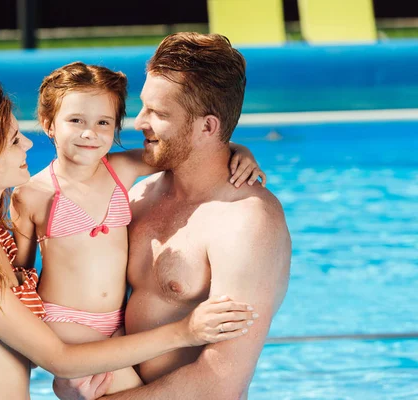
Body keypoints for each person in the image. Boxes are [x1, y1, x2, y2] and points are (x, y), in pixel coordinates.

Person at [0, 73, 259, 399]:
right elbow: (57, 356)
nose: (28, 144)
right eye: (15, 140)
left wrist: (235, 150)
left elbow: (175, 152)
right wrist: (186, 332)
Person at [53, 32, 292, 400]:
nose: (139, 123)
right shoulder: (138, 195)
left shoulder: (247, 223)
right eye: (144, 107)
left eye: (159, 114)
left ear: (208, 127)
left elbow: (219, 385)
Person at [11, 61, 267, 394]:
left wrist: (238, 150)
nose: (90, 133)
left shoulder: (121, 170)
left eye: (103, 122)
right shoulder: (32, 194)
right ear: (48, 124)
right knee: (132, 390)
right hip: (66, 324)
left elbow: (187, 149)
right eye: (75, 121)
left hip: (116, 324)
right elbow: (21, 271)